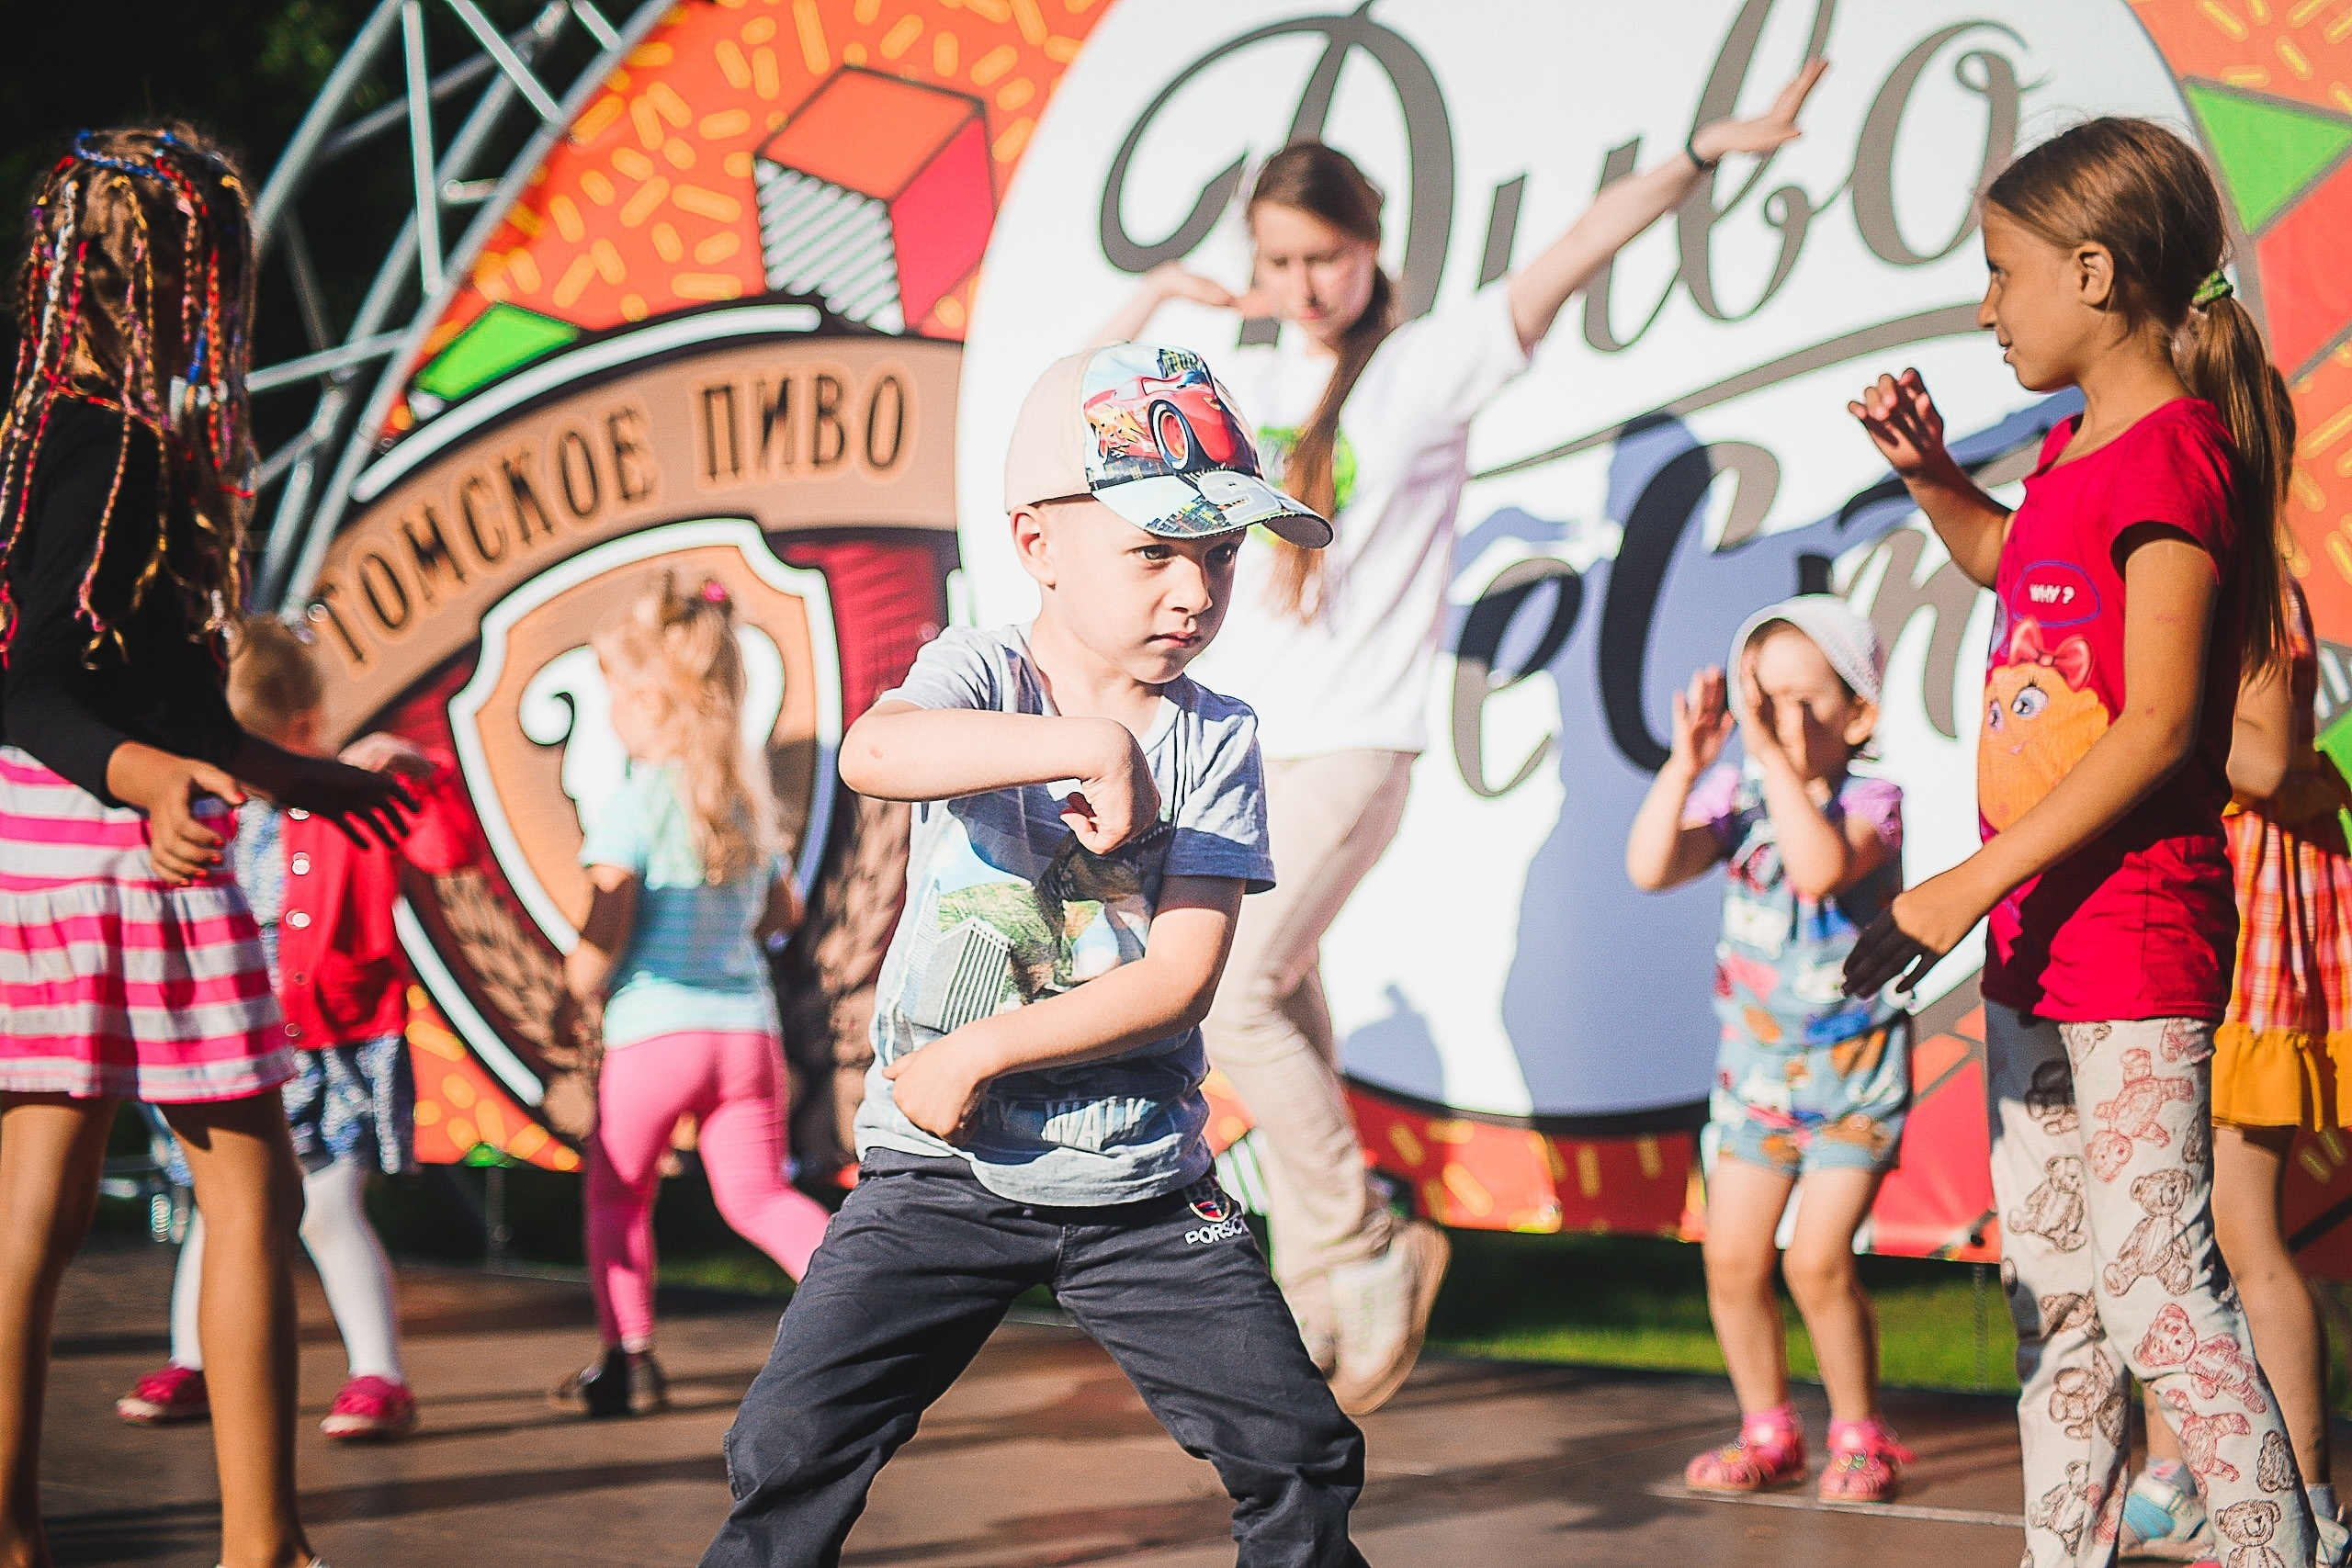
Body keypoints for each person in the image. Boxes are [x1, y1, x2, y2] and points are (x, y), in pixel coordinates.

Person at [1092, 59, 1828, 1411]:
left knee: (1232, 989)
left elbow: (1567, 257)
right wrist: (1152, 305)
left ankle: (1356, 1245)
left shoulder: (1424, 371)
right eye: (1279, 257)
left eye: (1326, 254)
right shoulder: (1248, 382)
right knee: (1285, 999)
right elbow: (1086, 430)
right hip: (1250, 746)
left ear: (1372, 248)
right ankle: (1328, 1283)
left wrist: (1702, 151)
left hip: (1353, 746)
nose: (1305, 281)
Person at [701, 344, 1366, 1568]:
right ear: (1038, 542)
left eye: (1219, 557)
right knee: (791, 1443)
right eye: (1155, 549)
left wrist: (986, 1047)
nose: (1194, 590)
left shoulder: (1221, 737)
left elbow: (1178, 977)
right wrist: (1091, 743)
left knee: (1301, 1452)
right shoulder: (979, 669)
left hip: (1139, 1181)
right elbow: (874, 754)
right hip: (942, 1167)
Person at [1844, 118, 2316, 1568]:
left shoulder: (2178, 457)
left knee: (2162, 1284)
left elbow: (2162, 726)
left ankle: (2281, 1544)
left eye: (2001, 273)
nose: (1987, 306)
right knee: (2053, 1295)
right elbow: (2021, 559)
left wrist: (1958, 887)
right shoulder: (2074, 456)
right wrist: (1932, 475)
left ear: (2096, 273)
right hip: (2037, 946)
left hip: (2129, 939)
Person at [0, 128, 411, 1568]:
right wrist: (160, 777)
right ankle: (262, 1540)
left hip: (55, 828)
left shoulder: (66, 421)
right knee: (254, 1183)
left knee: (40, 1192)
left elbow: (145, 682)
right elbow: (35, 678)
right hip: (126, 838)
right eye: (205, 263)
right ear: (163, 273)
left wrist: (289, 773)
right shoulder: (111, 436)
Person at [115, 617, 481, 1441]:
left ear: (302, 736)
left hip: (335, 1048)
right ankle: (196, 1358)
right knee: (219, 1205)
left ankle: (380, 1374)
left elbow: (446, 847)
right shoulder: (209, 810)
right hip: (233, 1043)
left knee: (325, 1207)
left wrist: (423, 773)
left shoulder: (345, 799)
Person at [1626, 597, 1914, 1502]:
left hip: (1852, 1080)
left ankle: (1861, 1436)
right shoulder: (1738, 797)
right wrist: (1687, 768)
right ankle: (1767, 1429)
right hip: (1752, 1079)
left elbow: (1822, 866)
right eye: (1761, 695)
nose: (1772, 717)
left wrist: (1770, 767)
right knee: (1731, 1258)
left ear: (1857, 716)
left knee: (1816, 1260)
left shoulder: (1874, 802)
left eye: (1797, 698)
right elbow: (1649, 866)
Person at [549, 572, 834, 1418]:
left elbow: (608, 925)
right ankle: (867, 1317)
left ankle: (628, 1359)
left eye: (616, 698)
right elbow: (782, 915)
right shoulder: (747, 809)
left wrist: (572, 996)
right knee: (757, 1196)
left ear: (651, 703)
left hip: (653, 1035)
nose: (608, 716)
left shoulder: (632, 807)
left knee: (616, 1193)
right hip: (745, 1036)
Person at [2114, 575, 2352, 1565]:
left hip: (2248, 917)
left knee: (2239, 1227)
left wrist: (2148, 734)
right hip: (2193, 912)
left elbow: (2258, 758)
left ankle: (2304, 1497)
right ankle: (2179, 1478)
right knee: (2171, 1228)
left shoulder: (2245, 579)